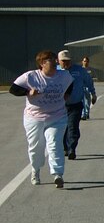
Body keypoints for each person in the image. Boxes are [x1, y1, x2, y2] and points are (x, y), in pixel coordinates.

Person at [9, 50, 73, 187]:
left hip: (57, 116)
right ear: (42, 63)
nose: (55, 62)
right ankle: (35, 170)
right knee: (36, 147)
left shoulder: (64, 75)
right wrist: (28, 92)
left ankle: (57, 174)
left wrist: (65, 97)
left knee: (54, 143)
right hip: (34, 118)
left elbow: (70, 85)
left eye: (55, 59)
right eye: (51, 60)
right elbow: (13, 89)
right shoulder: (31, 76)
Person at [57, 50, 95, 160]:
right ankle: (65, 148)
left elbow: (88, 81)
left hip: (75, 104)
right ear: (58, 61)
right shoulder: (55, 71)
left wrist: (93, 94)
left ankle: (72, 149)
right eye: (63, 61)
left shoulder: (79, 71)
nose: (66, 63)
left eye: (68, 61)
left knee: (73, 127)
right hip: (60, 106)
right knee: (63, 128)